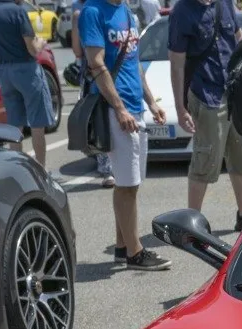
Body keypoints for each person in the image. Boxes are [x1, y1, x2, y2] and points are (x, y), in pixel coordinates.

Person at [80, 0, 172, 270]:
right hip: (114, 110)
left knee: (128, 183)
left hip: (135, 107)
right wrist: (119, 109)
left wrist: (151, 102)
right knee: (128, 184)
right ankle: (135, 253)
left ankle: (123, 246)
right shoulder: (93, 11)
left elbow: (135, 63)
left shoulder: (128, 14)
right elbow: (96, 63)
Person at [169, 0, 242, 230]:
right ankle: (191, 222)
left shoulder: (224, 3)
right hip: (206, 94)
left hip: (234, 91)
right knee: (205, 159)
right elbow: (176, 64)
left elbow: (238, 37)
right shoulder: (181, 11)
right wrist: (180, 108)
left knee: (241, 154)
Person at [0, 0, 56, 168]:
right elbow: (32, 49)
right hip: (26, 70)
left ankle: (19, 170)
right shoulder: (18, 12)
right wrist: (41, 42)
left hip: (4, 71)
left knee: (14, 126)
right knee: (37, 124)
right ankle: (41, 169)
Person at [72, 0, 116, 186]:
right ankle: (115, 166)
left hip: (92, 75)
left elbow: (77, 51)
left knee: (98, 118)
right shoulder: (111, 9)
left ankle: (106, 169)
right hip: (114, 70)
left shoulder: (80, 13)